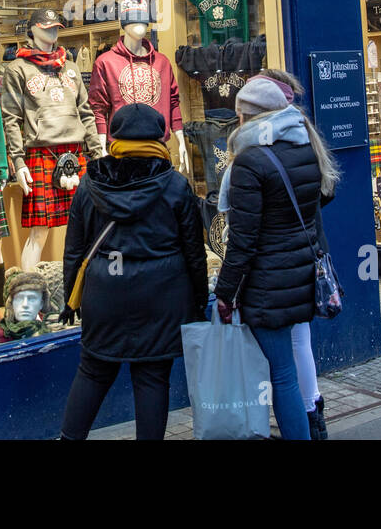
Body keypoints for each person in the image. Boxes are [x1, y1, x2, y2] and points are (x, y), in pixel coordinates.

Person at [59, 103, 208, 440]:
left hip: (105, 293)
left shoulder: (90, 183)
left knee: (94, 371)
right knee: (153, 376)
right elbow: (194, 252)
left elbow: (74, 249)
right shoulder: (175, 185)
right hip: (162, 296)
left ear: (116, 137)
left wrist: (71, 299)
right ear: (159, 137)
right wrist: (199, 299)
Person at [214, 73, 339, 441]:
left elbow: (243, 239)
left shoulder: (250, 162)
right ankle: (310, 423)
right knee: (288, 365)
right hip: (299, 274)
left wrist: (224, 292)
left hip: (268, 283)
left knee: (281, 374)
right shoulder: (304, 146)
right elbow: (319, 201)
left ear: (247, 116)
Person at [257, 68, 330, 440]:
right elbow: (326, 189)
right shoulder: (303, 133)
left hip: (288, 253)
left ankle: (306, 418)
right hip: (310, 247)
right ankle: (312, 415)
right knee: (300, 340)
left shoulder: (274, 140)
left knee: (292, 347)